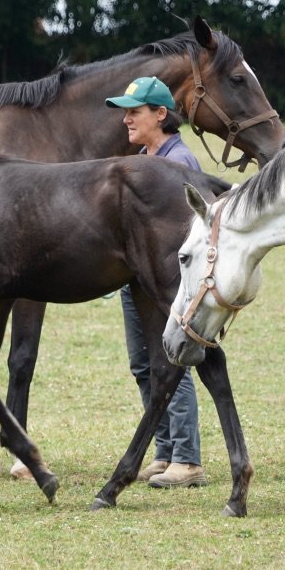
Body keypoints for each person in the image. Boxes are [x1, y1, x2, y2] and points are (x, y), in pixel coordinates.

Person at [104, 76, 207, 489]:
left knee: (172, 364)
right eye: (125, 112)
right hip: (137, 281)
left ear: (161, 114)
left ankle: (187, 459)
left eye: (135, 111)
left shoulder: (179, 162)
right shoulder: (143, 159)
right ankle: (163, 451)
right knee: (143, 366)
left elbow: (191, 230)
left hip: (167, 283)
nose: (126, 119)